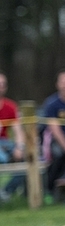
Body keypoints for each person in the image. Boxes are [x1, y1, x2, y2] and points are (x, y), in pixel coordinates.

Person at [0, 72, 25, 202]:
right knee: (2, 158)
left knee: (28, 157)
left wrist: (19, 147)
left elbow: (18, 131)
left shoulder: (10, 106)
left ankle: (5, 192)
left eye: (3, 84)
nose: (0, 87)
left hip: (4, 143)